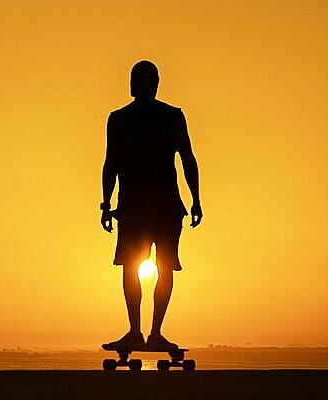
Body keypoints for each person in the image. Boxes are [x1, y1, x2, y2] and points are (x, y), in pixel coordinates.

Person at [101, 60, 202, 351]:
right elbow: (112, 163)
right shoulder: (119, 119)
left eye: (149, 79)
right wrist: (105, 203)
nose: (145, 84)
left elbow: (187, 159)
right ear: (134, 84)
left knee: (162, 266)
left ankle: (152, 332)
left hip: (163, 205)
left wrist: (196, 199)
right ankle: (138, 331)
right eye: (141, 79)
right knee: (134, 266)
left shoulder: (171, 117)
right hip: (135, 206)